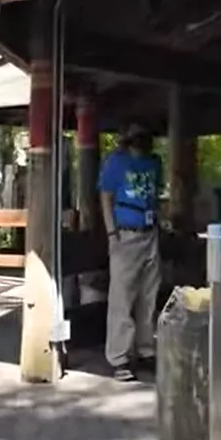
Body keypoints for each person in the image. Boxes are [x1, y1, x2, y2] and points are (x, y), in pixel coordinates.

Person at [99, 120, 163, 382]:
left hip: (150, 233)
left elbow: (156, 196)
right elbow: (106, 197)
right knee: (122, 298)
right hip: (125, 234)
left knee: (149, 295)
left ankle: (146, 350)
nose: (141, 141)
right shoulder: (116, 163)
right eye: (136, 136)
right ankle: (119, 358)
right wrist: (112, 234)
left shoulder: (154, 163)